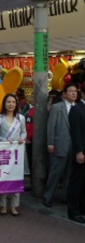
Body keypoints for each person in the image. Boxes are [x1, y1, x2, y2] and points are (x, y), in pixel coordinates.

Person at [43, 83, 77, 208]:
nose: (73, 93)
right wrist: (50, 143)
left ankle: (64, 197)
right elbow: (51, 126)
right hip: (59, 145)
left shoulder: (78, 108)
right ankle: (48, 196)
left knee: (69, 173)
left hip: (74, 147)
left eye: (75, 91)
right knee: (55, 172)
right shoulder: (57, 107)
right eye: (71, 91)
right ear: (64, 94)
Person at [0, 93, 27, 216]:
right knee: (3, 177)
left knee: (16, 178)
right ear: (4, 103)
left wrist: (22, 138)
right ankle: (3, 205)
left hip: (17, 153)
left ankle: (14, 205)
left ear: (16, 104)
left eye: (13, 102)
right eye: (8, 102)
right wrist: (4, 140)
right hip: (3, 152)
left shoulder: (20, 118)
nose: (11, 104)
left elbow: (24, 132)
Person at [66, 84, 85, 224]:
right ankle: (72, 211)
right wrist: (79, 151)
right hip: (80, 152)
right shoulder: (76, 109)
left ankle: (82, 208)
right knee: (76, 182)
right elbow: (75, 133)